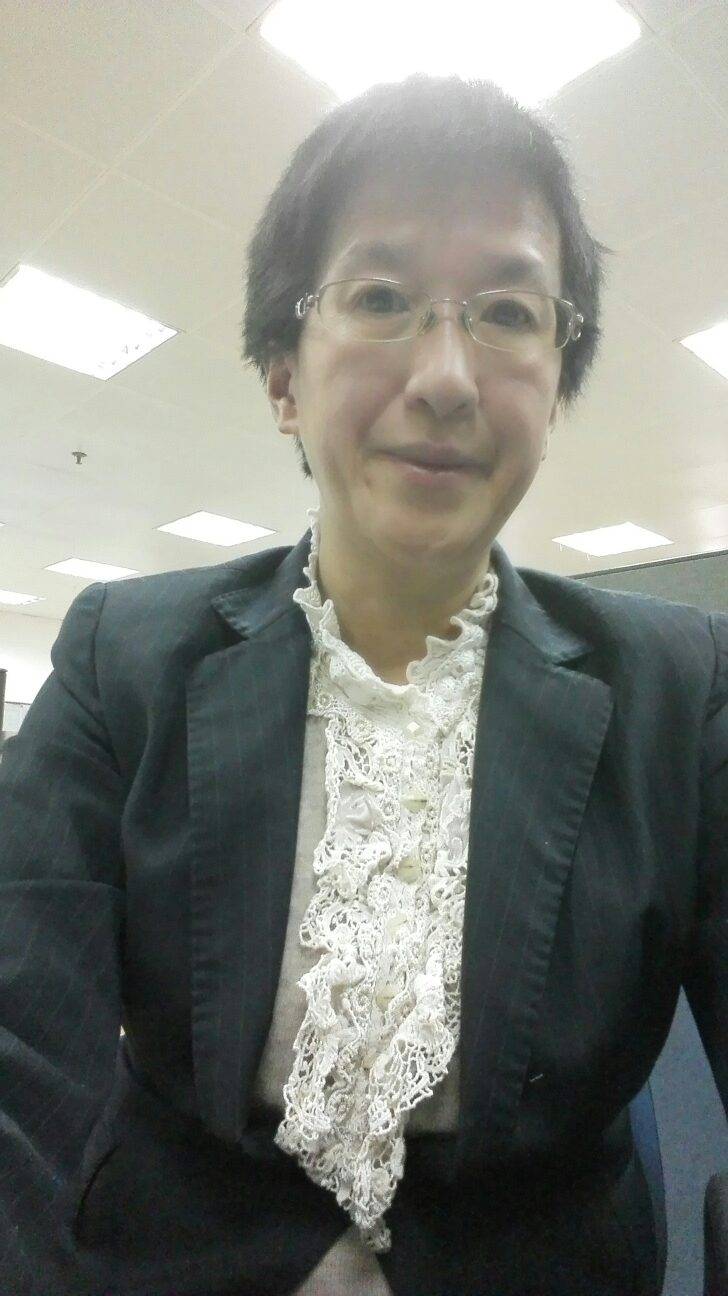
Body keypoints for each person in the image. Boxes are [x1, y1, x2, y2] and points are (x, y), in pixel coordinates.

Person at [0, 72, 725, 1296]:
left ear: (555, 381)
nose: (445, 375)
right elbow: (21, 1059)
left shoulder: (679, 688)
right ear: (282, 372)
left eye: (507, 312)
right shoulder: (123, 657)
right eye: (380, 297)